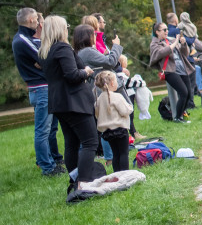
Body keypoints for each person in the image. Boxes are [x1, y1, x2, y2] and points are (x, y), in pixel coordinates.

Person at [38, 16, 99, 202]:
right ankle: (84, 183)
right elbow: (72, 75)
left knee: (71, 143)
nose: (68, 30)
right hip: (74, 102)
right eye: (66, 27)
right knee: (90, 142)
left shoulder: (45, 51)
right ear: (60, 29)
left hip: (59, 103)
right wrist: (86, 72)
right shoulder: (62, 48)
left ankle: (74, 181)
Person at [13, 8, 64, 176]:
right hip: (41, 88)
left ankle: (52, 160)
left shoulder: (25, 39)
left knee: (50, 129)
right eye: (36, 20)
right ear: (30, 21)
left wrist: (41, 62)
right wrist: (42, 62)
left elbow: (43, 60)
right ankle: (47, 167)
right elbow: (46, 58)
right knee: (42, 130)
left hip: (42, 88)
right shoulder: (22, 40)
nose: (39, 23)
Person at [74, 23, 124, 164]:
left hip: (93, 92)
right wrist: (116, 46)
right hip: (98, 92)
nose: (96, 36)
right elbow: (110, 62)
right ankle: (110, 158)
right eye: (93, 34)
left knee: (102, 124)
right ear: (87, 37)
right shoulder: (87, 51)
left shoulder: (82, 52)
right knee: (105, 123)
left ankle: (110, 156)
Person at [149, 23, 192, 123]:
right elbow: (161, 53)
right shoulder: (155, 44)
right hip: (170, 71)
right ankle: (177, 117)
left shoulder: (170, 40)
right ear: (157, 32)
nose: (166, 31)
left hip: (182, 69)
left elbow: (185, 54)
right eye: (164, 30)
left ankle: (181, 113)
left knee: (189, 94)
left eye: (167, 29)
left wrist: (183, 44)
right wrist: (175, 42)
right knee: (183, 92)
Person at [94, 71, 132, 172]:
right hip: (120, 129)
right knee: (124, 153)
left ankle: (117, 173)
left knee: (116, 154)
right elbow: (125, 111)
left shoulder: (98, 99)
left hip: (107, 132)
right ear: (111, 83)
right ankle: (125, 175)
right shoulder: (117, 96)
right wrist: (130, 107)